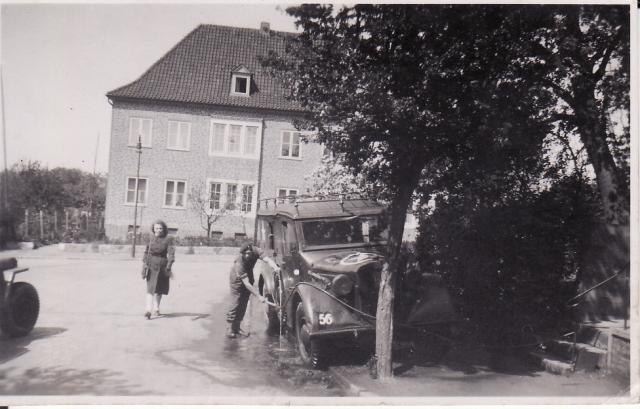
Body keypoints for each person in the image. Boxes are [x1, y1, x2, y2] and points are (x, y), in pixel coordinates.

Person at [226, 243, 279, 338]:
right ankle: (230, 329)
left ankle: (237, 328)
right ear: (242, 254)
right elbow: (247, 284)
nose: (247, 255)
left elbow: (267, 259)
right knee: (236, 302)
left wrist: (275, 267)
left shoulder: (256, 251)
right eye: (245, 254)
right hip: (236, 280)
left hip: (248, 276)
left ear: (252, 251)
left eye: (249, 253)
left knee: (244, 303)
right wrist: (259, 296)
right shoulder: (239, 263)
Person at [142, 220, 175, 320]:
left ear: (163, 229)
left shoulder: (168, 239)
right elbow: (146, 251)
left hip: (163, 265)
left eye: (160, 228)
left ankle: (156, 308)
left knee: (159, 289)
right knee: (150, 288)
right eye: (156, 228)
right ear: (153, 228)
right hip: (151, 264)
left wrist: (169, 265)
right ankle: (148, 310)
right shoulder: (150, 238)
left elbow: (171, 253)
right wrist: (144, 264)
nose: (158, 230)